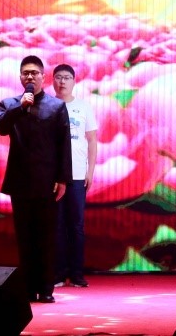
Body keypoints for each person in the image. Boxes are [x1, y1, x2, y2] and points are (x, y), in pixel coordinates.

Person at [0, 55, 71, 303]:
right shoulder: (9, 104)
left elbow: (64, 145)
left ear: (43, 77)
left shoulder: (56, 107)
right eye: (26, 73)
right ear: (20, 77)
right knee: (25, 238)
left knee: (46, 238)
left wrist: (63, 179)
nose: (30, 76)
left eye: (34, 73)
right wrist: (20, 107)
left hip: (47, 182)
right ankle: (28, 289)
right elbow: (0, 128)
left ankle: (46, 288)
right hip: (20, 181)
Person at [52, 64, 98, 288]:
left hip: (78, 174)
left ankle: (77, 273)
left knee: (77, 225)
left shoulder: (83, 107)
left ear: (74, 81)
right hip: (54, 177)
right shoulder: (47, 106)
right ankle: (59, 273)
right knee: (57, 225)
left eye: (67, 77)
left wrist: (90, 171)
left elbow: (92, 140)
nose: (62, 81)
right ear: (52, 81)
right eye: (59, 77)